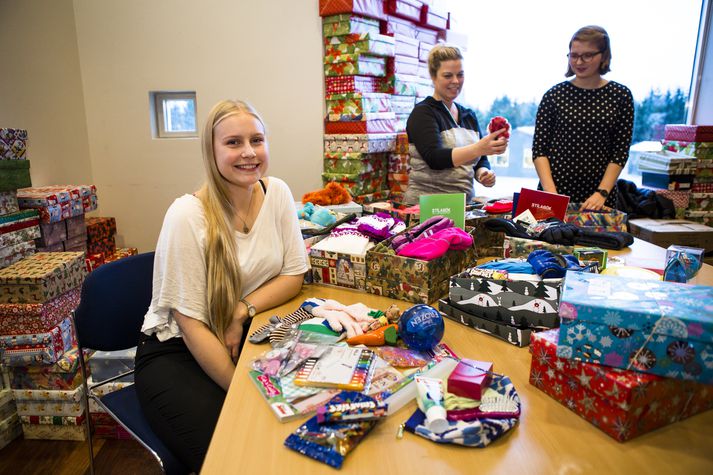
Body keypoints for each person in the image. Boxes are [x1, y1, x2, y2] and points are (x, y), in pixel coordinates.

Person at [135, 99, 308, 472]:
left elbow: (294, 274)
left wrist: (240, 309)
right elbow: (191, 324)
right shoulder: (187, 215)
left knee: (294, 437)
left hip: (240, 335)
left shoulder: (276, 192)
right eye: (233, 143)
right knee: (239, 457)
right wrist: (244, 394)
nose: (248, 152)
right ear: (211, 151)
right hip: (178, 354)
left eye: (256, 140)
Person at [532, 25, 634, 211]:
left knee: (600, 241)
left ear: (603, 55)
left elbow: (620, 152)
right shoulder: (554, 95)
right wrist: (551, 194)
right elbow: (539, 150)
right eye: (573, 55)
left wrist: (601, 193)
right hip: (554, 192)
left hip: (599, 197)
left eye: (587, 55)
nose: (579, 62)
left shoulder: (621, 95)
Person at [403, 44, 508, 205]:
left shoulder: (469, 116)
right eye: (447, 76)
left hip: (462, 206)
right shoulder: (423, 113)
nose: (455, 81)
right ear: (433, 76)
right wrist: (479, 148)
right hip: (427, 207)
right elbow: (435, 158)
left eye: (460, 74)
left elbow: (480, 160)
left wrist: (483, 173)